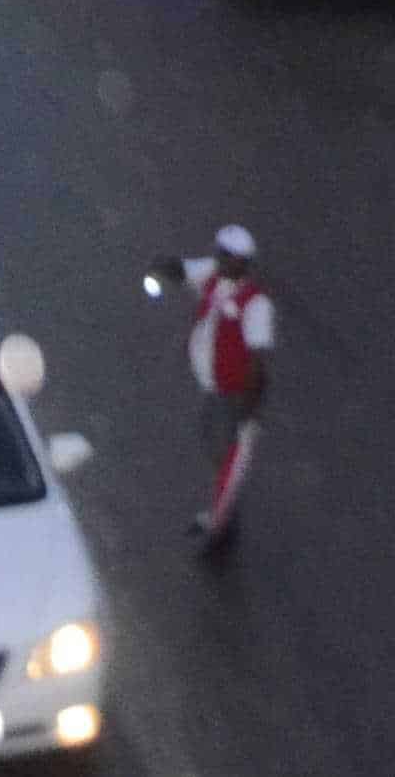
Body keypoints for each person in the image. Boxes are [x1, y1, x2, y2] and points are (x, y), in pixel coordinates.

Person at [141, 223, 276, 553]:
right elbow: (183, 270)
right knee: (213, 444)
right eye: (224, 256)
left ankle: (218, 534)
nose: (225, 262)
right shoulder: (214, 274)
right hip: (214, 389)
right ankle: (224, 511)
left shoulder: (255, 305)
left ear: (244, 262)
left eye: (234, 259)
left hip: (235, 395)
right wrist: (163, 267)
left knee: (230, 461)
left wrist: (248, 406)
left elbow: (257, 361)